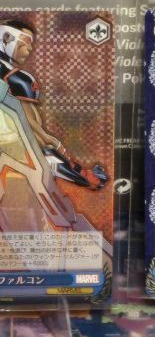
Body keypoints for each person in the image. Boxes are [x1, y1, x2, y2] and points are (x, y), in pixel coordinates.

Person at [0, 20, 107, 230]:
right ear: (6, 38)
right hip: (15, 159)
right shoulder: (17, 79)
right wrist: (81, 173)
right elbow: (36, 135)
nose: (29, 49)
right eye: (24, 43)